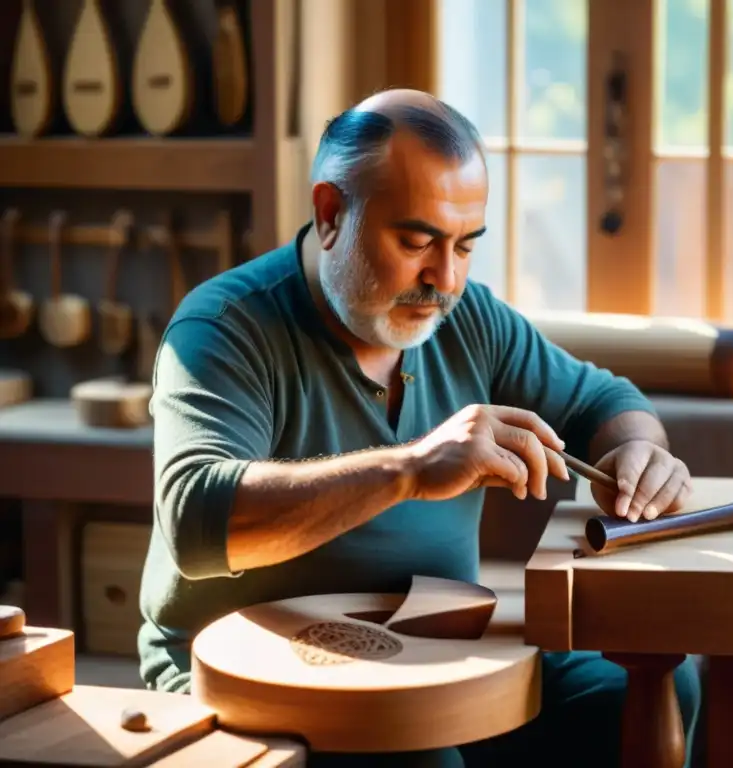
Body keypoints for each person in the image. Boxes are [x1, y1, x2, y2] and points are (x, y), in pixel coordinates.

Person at [137, 88, 702, 767]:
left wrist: (641, 449)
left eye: (467, 245)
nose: (446, 278)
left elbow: (603, 402)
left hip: (429, 641)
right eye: (417, 241)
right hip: (253, 660)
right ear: (329, 214)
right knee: (421, 758)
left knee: (648, 686)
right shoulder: (225, 327)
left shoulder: (467, 319)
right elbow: (198, 521)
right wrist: (410, 468)